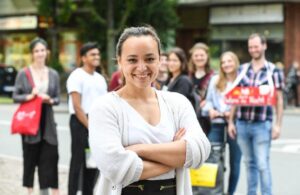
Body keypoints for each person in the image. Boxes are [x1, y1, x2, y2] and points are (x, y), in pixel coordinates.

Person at [88, 26, 211, 195]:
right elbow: (116, 167)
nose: (142, 67)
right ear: (119, 61)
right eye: (132, 60)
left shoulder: (177, 103)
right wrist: (176, 156)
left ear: (160, 60)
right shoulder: (105, 107)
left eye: (149, 58)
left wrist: (139, 150)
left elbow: (199, 151)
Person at [228, 33, 284, 195]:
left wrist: (278, 126)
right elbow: (235, 97)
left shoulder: (274, 70)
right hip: (242, 123)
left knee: (262, 164)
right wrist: (231, 121)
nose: (253, 49)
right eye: (250, 47)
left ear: (264, 46)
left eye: (256, 46)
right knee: (249, 164)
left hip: (262, 123)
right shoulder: (242, 70)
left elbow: (279, 100)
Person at [13, 37, 60, 195]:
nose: (40, 53)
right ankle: (30, 192)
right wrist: (30, 96)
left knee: (49, 159)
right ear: (32, 54)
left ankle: (46, 192)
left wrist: (50, 99)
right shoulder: (23, 74)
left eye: (42, 50)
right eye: (36, 51)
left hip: (47, 120)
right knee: (30, 160)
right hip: (30, 121)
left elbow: (58, 99)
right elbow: (15, 96)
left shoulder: (53, 74)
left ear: (47, 52)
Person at [66, 42, 107, 195]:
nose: (97, 57)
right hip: (80, 121)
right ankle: (72, 192)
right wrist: (91, 127)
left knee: (93, 161)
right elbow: (77, 107)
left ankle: (88, 192)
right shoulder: (76, 76)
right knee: (78, 161)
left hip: (96, 122)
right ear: (83, 58)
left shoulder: (100, 79)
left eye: (97, 54)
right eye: (93, 54)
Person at [203, 51, 242, 195]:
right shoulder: (215, 80)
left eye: (229, 61)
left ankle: (230, 193)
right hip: (217, 123)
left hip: (235, 124)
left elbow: (244, 103)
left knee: (235, 163)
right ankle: (215, 192)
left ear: (235, 62)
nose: (226, 64)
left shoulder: (242, 80)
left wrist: (232, 114)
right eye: (223, 62)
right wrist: (211, 110)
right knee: (212, 159)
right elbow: (207, 103)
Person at [188, 42, 214, 135]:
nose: (199, 58)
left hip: (206, 119)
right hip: (189, 118)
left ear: (207, 56)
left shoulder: (214, 76)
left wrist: (208, 102)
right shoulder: (187, 76)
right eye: (196, 55)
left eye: (202, 55)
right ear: (192, 57)